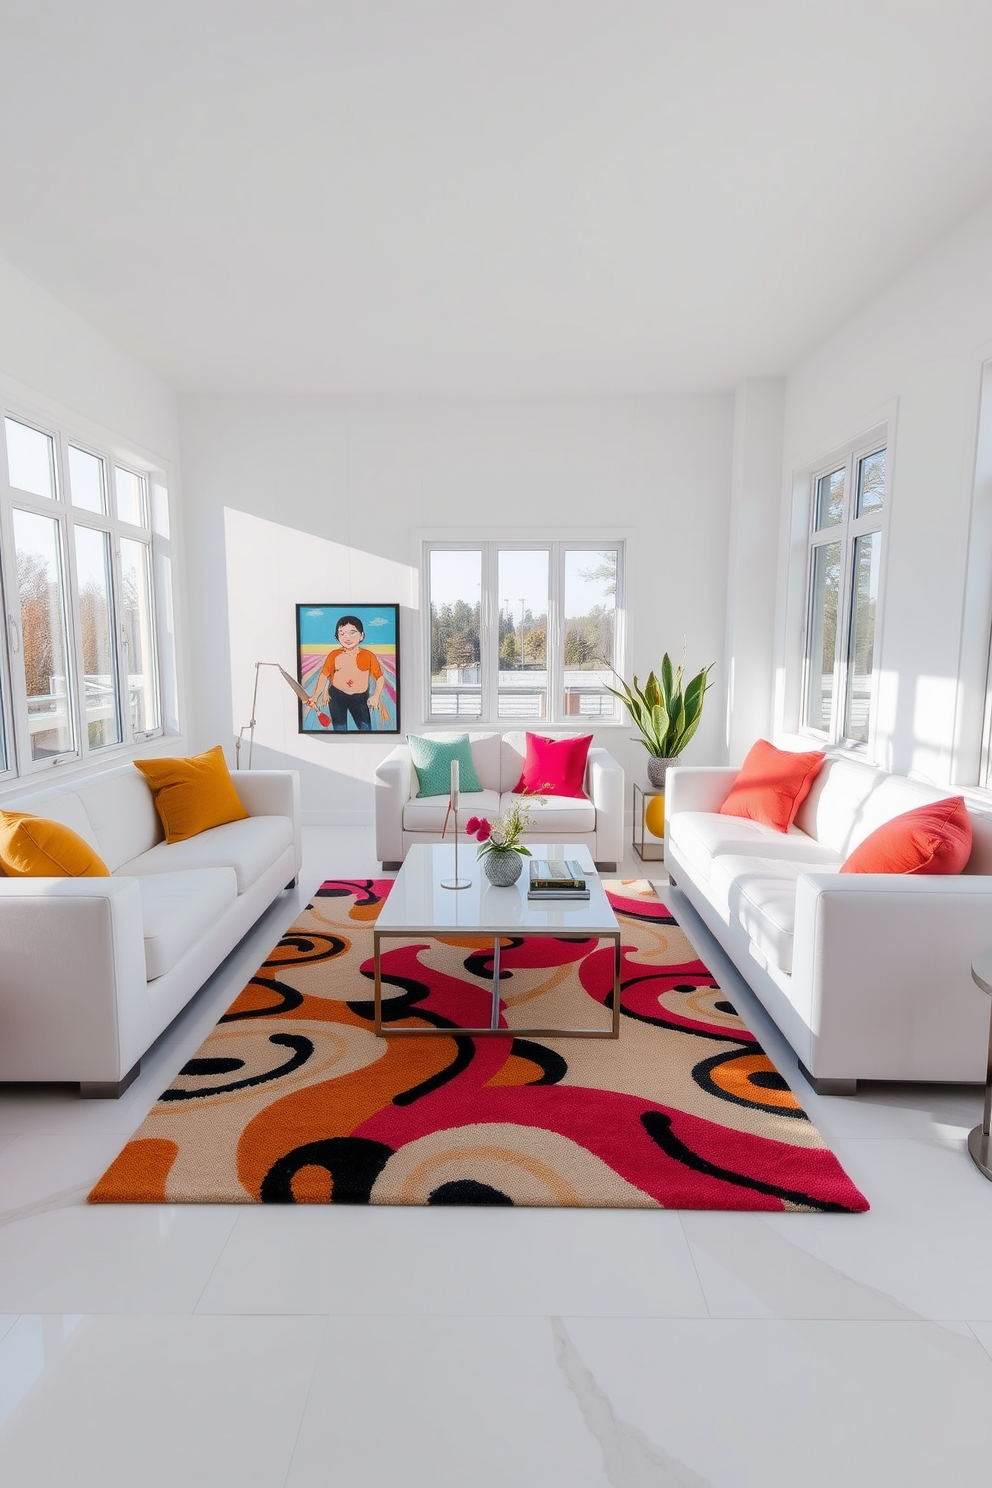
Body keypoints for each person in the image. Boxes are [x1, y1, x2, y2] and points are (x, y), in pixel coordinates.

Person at [311, 615, 389, 731]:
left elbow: (379, 678)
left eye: (352, 632)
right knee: (339, 728)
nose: (347, 637)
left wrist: (376, 696)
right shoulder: (334, 655)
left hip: (360, 698)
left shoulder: (368, 656)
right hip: (337, 696)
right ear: (337, 637)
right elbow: (323, 676)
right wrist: (315, 697)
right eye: (342, 633)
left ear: (362, 636)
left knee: (365, 729)